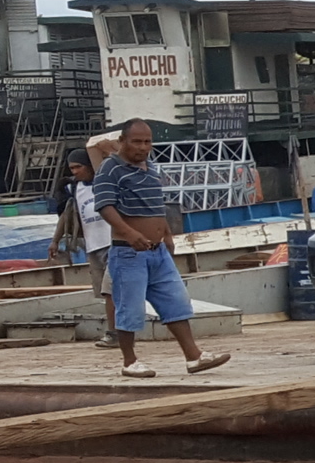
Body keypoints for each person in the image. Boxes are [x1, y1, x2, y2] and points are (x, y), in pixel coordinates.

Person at [93, 120, 232, 379]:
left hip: (157, 252)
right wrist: (129, 233)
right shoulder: (109, 169)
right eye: (137, 141)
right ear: (122, 141)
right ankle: (130, 361)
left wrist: (166, 233)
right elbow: (105, 206)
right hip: (128, 252)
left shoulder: (151, 169)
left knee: (176, 303)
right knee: (129, 308)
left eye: (147, 141)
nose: (143, 147)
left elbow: (156, 205)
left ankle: (194, 356)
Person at [45, 148, 112, 300]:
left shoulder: (105, 183)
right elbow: (65, 216)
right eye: (72, 168)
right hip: (93, 246)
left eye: (78, 167)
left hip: (112, 243)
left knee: (112, 288)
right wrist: (55, 241)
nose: (75, 172)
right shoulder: (74, 188)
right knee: (101, 291)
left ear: (89, 165)